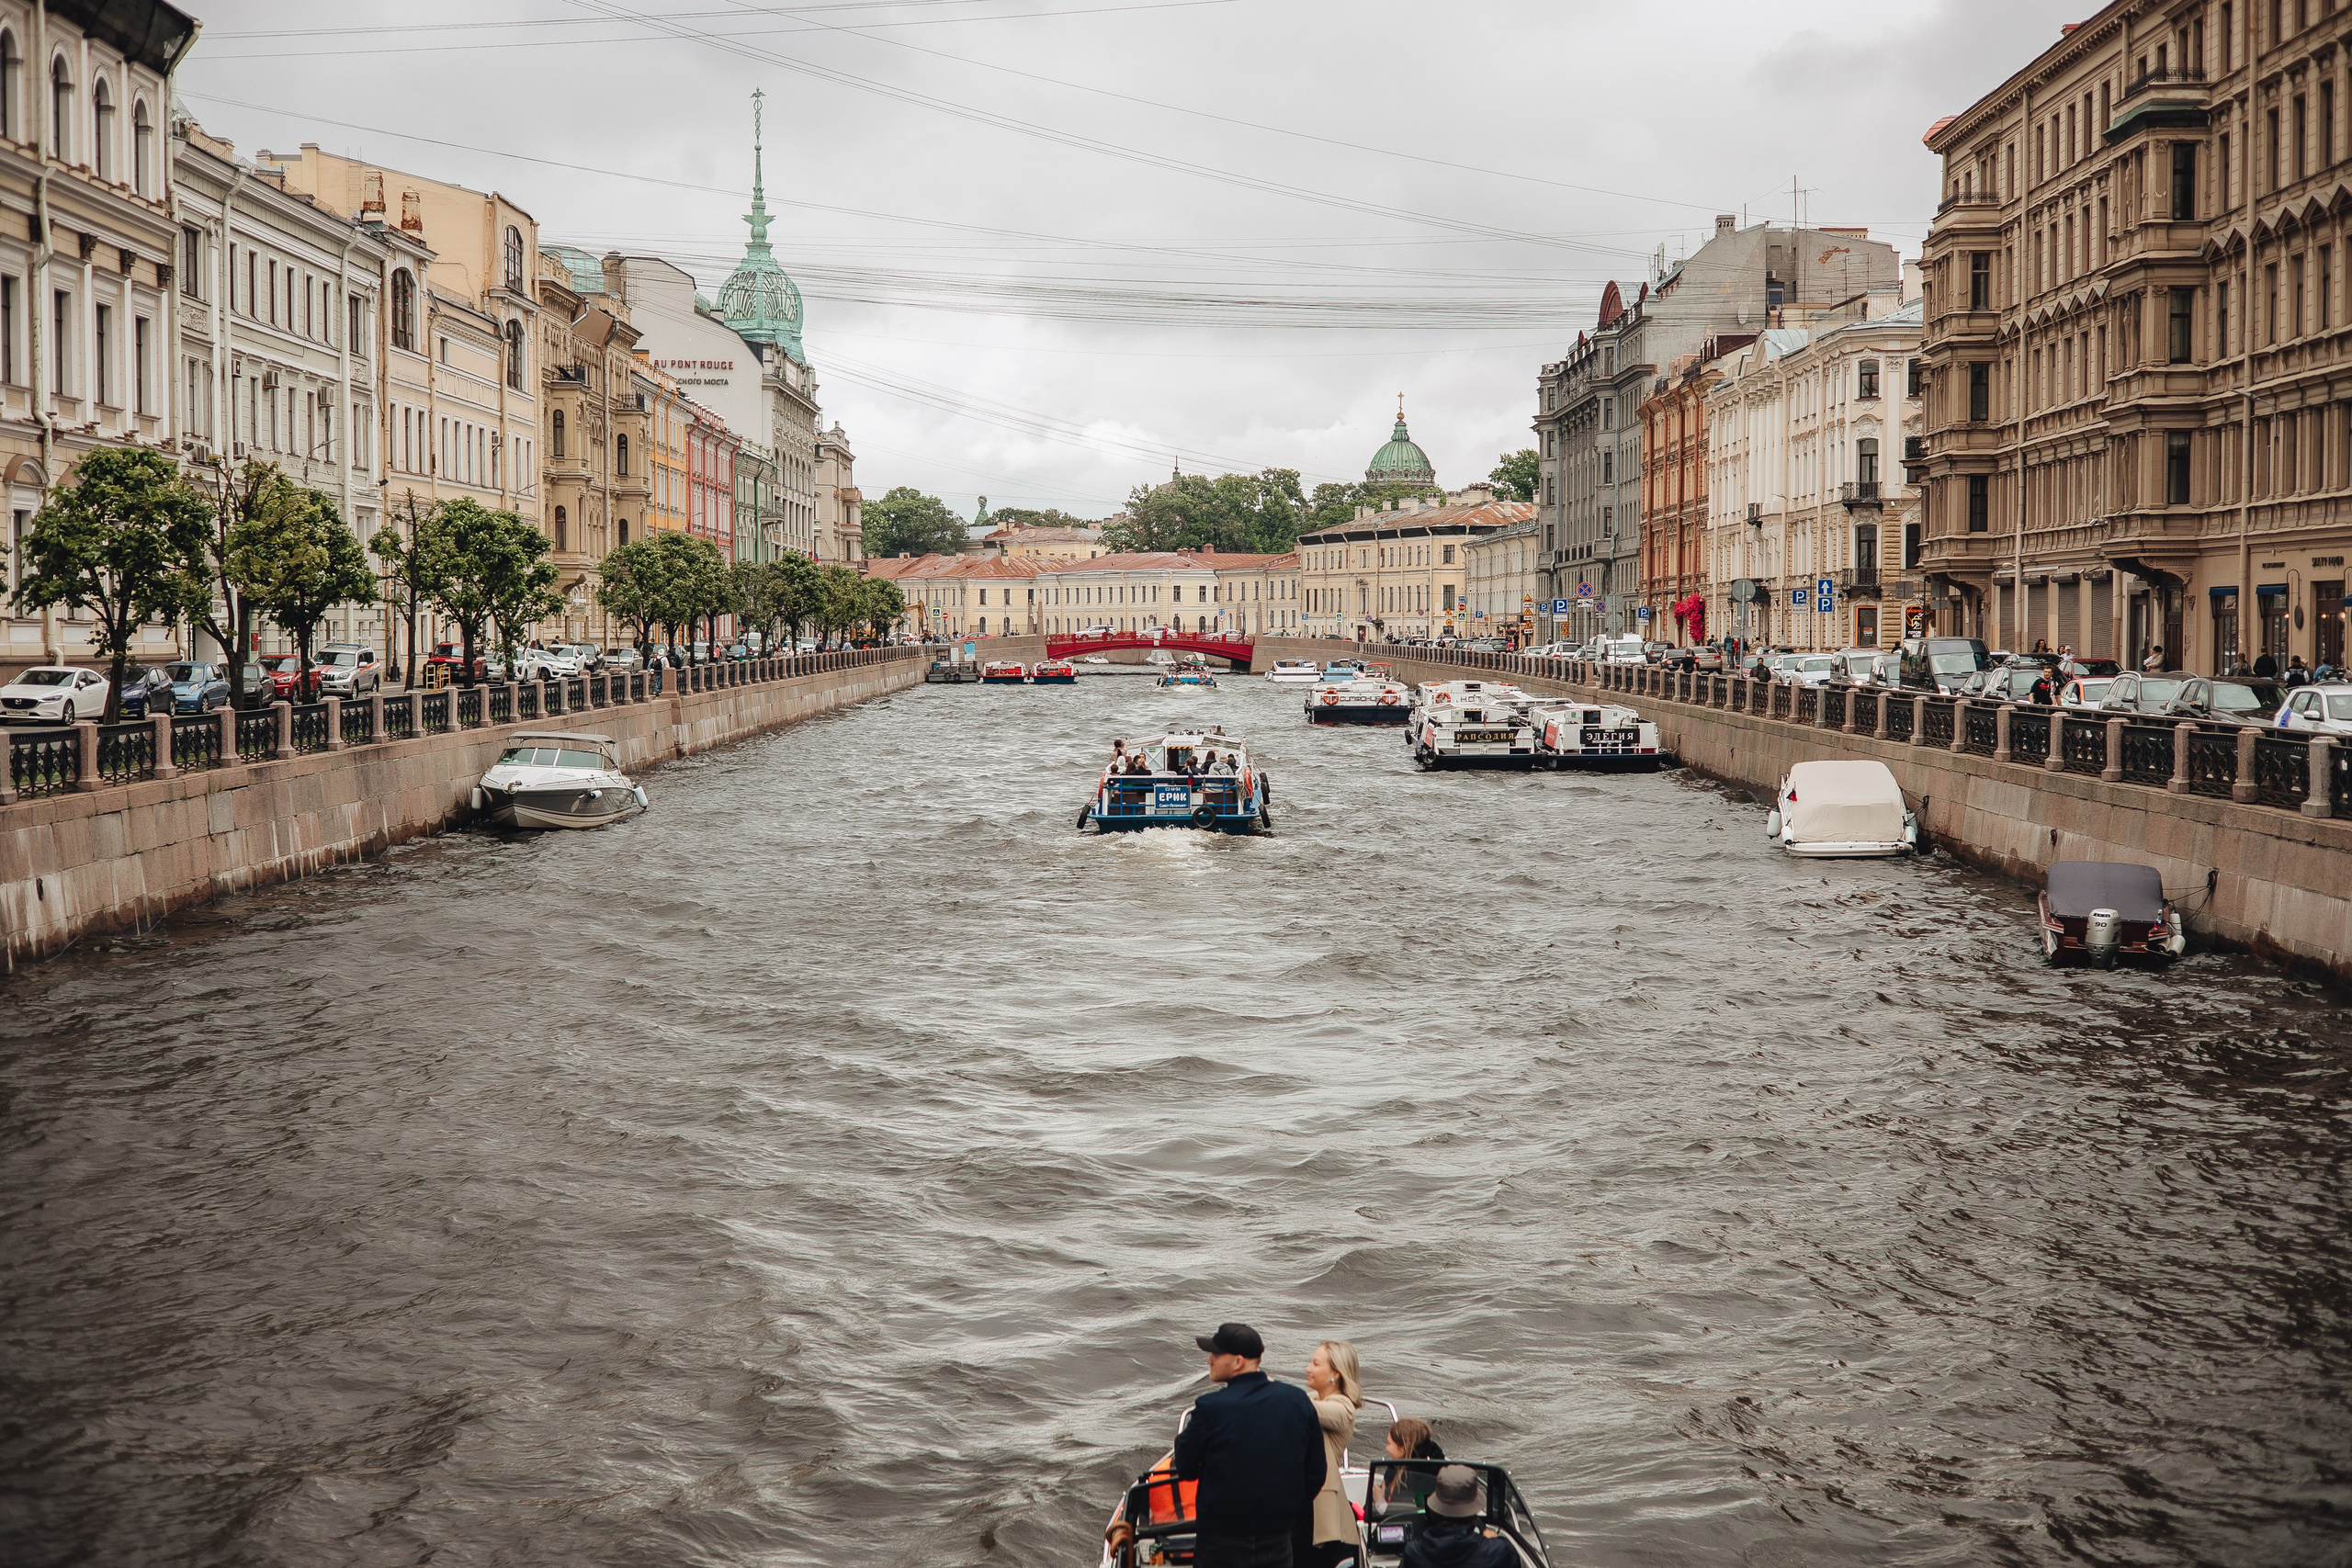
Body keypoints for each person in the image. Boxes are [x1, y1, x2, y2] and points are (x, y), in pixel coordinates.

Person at [1171, 1323, 1325, 1568]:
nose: (1209, 1360)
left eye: (1215, 1354)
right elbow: (1317, 1470)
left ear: (1238, 1362)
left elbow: (1186, 1467)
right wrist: (1288, 1510)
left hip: (1220, 1543)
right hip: (1278, 1537)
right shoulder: (1297, 1400)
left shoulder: (1211, 1407)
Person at [1295, 1341, 1363, 1568]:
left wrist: (1275, 1394)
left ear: (1335, 1374)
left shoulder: (1344, 1408)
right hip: (1299, 1503)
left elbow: (1305, 1409)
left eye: (1315, 1363)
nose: (1308, 1368)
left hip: (1322, 1518)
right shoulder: (1310, 1399)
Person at [1397, 1467, 1515, 1568]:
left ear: (1433, 1511)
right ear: (1473, 1514)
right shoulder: (1499, 1551)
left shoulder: (1413, 1552)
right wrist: (1492, 1541)